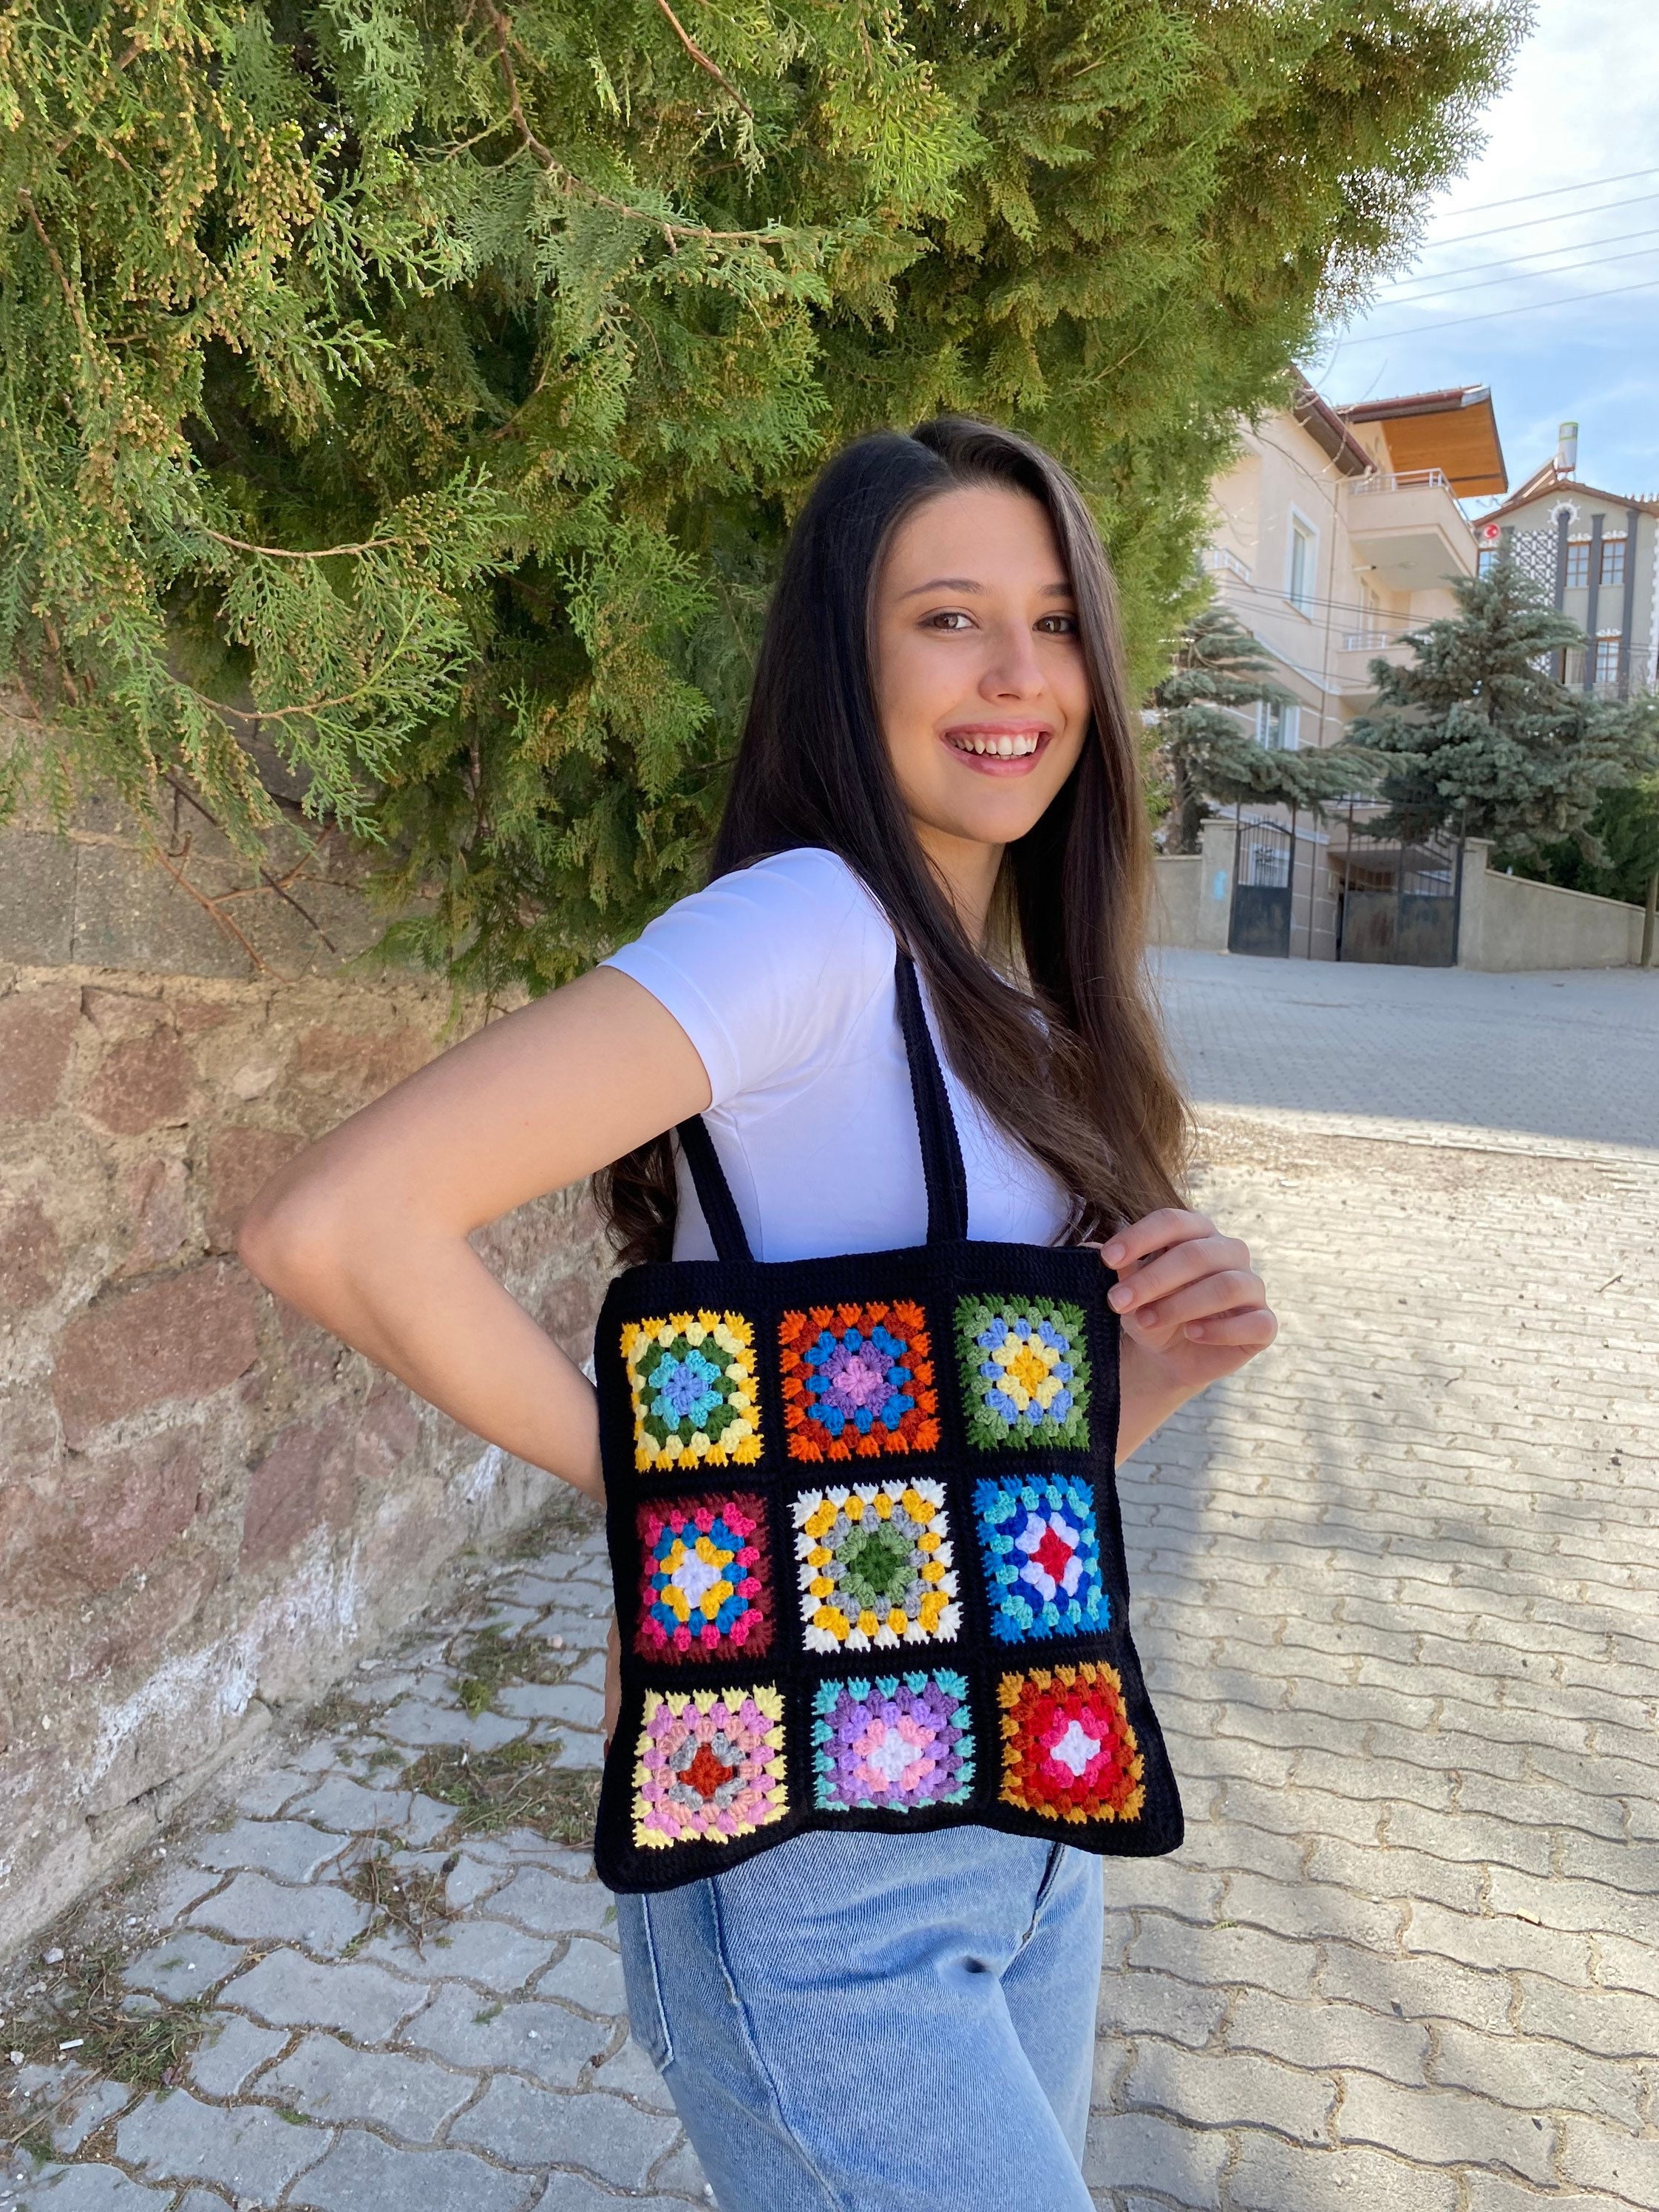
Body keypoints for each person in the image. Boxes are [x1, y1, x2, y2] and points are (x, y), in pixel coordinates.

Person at [240, 415, 1276, 2209]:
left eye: (1054, 622)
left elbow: (957, 1498)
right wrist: (670, 1493)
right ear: (842, 659)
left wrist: (1161, 1370)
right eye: (949, 617)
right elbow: (338, 1224)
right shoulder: (805, 928)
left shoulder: (1022, 996)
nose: (1019, 675)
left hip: (1030, 1823)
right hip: (823, 1871)